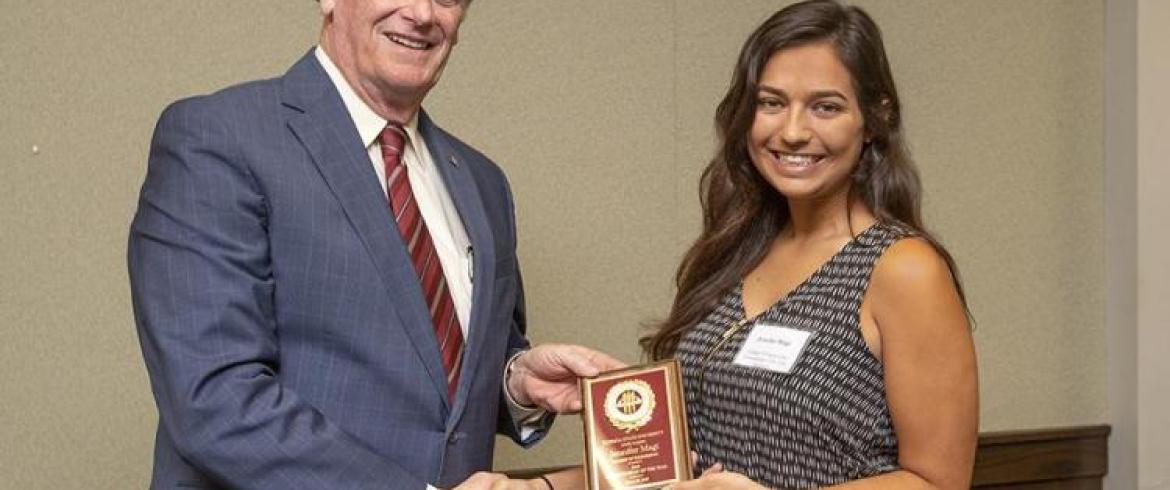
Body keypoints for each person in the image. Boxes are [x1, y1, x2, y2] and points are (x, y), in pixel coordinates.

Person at [127, 1, 622, 489]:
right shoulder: (219, 137)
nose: (424, 14)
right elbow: (213, 399)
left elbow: (433, 387)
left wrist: (515, 382)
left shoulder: (482, 182)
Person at [524, 1, 978, 489]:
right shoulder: (734, 251)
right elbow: (680, 462)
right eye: (772, 103)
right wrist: (539, 487)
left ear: (873, 119)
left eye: (825, 106)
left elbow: (938, 482)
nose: (793, 132)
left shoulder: (902, 269)